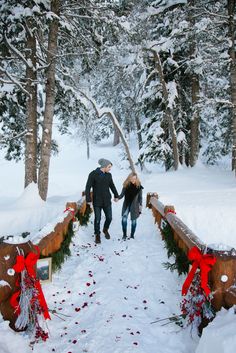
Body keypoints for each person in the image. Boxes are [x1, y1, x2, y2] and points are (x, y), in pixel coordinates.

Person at [85, 158, 119, 244]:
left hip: (107, 200)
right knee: (97, 219)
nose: (110, 169)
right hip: (97, 201)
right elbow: (88, 187)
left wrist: (116, 195)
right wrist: (88, 199)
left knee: (109, 218)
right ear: (104, 166)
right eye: (109, 167)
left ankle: (105, 229)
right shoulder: (93, 174)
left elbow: (112, 186)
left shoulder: (109, 175)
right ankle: (97, 234)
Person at [118, 172, 143, 240]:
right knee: (124, 219)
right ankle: (124, 234)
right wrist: (117, 198)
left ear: (136, 178)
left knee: (134, 221)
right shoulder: (126, 185)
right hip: (126, 205)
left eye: (134, 178)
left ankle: (132, 235)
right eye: (132, 178)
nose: (133, 180)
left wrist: (140, 206)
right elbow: (122, 194)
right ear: (129, 178)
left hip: (134, 206)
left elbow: (140, 197)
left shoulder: (139, 187)